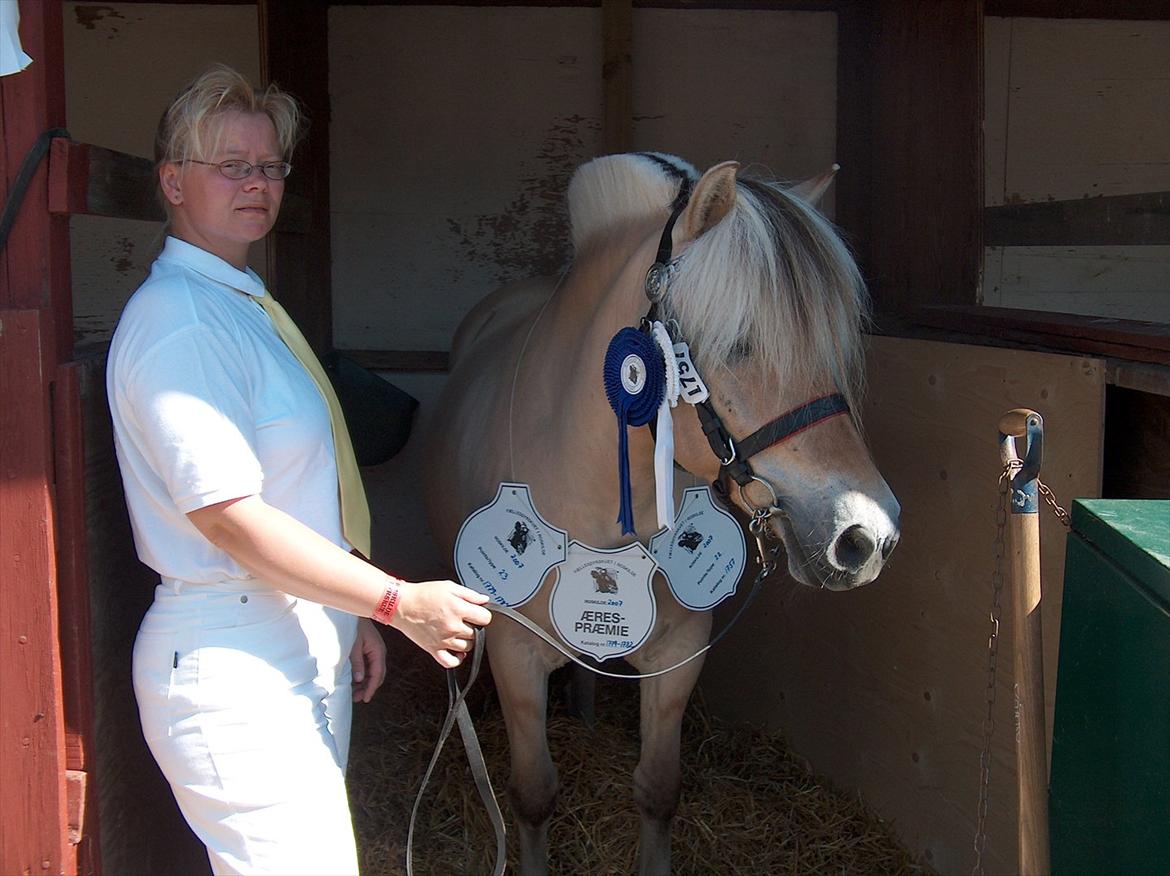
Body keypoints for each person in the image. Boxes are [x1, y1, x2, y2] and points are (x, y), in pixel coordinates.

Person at [105, 64, 492, 876]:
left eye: (271, 165)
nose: (258, 183)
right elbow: (228, 517)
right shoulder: (181, 321)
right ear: (173, 182)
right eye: (231, 165)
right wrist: (392, 602)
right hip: (233, 658)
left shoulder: (237, 302)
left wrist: (338, 613)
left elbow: (292, 490)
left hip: (286, 634)